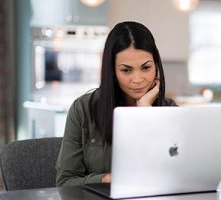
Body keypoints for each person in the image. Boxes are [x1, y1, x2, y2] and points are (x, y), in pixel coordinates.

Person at [56, 21, 177, 187]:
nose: (137, 79)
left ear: (156, 66)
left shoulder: (170, 112)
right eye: (126, 70)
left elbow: (174, 175)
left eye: (146, 68)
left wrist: (146, 117)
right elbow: (65, 182)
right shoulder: (83, 110)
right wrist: (107, 179)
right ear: (112, 71)